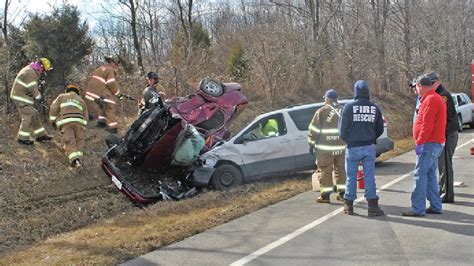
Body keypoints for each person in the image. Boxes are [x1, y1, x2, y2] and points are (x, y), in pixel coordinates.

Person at [402, 75, 446, 217]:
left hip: (429, 144)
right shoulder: (432, 98)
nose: (415, 89)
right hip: (433, 143)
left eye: (416, 87)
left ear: (421, 85)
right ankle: (435, 205)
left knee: (419, 175)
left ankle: (418, 208)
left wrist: (420, 142)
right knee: (430, 175)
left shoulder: (430, 99)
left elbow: (427, 125)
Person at [339, 80, 384, 216]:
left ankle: (348, 205)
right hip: (369, 146)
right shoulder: (375, 108)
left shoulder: (348, 107)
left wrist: (348, 139)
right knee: (369, 176)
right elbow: (380, 128)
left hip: (352, 146)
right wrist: (372, 137)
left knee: (351, 177)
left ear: (355, 92)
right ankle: (372, 206)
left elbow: (342, 130)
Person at [308, 89, 346, 203]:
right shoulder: (343, 110)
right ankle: (342, 194)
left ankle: (325, 196)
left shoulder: (321, 111)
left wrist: (311, 144)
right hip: (341, 147)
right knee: (341, 170)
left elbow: (314, 129)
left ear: (327, 99)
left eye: (325, 98)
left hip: (325, 149)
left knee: (325, 170)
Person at [427, 72, 459, 203]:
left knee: (445, 165)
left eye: (429, 84)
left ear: (435, 82)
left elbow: (444, 119)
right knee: (442, 165)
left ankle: (447, 194)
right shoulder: (438, 95)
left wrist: (441, 137)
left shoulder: (443, 96)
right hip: (446, 134)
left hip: (448, 134)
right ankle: (443, 190)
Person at [10, 57, 53, 145]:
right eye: (43, 70)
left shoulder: (31, 71)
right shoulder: (30, 72)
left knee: (34, 114)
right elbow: (32, 87)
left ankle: (41, 135)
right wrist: (38, 96)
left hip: (23, 97)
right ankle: (22, 138)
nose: (42, 72)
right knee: (28, 115)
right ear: (40, 66)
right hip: (20, 97)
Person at [49, 84, 88, 168]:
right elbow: (86, 117)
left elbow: (53, 108)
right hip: (79, 123)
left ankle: (75, 161)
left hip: (66, 123)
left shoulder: (61, 97)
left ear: (67, 91)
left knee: (70, 141)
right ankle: (78, 160)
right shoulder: (81, 100)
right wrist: (83, 126)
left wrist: (53, 121)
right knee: (79, 141)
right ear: (77, 92)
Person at [85, 56, 121, 134]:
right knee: (110, 107)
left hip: (93, 93)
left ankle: (101, 122)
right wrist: (117, 93)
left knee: (102, 106)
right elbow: (111, 83)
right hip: (102, 93)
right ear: (112, 63)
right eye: (116, 65)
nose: (116, 66)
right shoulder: (110, 70)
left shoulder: (100, 69)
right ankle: (113, 128)